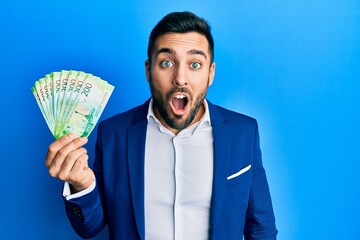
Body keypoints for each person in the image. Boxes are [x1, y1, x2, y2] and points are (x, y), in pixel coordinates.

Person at [45, 11, 278, 240]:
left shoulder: (243, 132)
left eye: (195, 64)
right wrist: (81, 186)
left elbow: (261, 228)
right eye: (166, 63)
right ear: (149, 70)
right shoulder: (113, 134)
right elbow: (90, 227)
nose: (180, 78)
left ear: (211, 73)